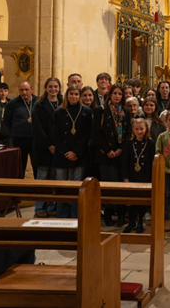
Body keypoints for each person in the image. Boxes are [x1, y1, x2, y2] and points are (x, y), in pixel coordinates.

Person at [93, 84, 131, 226]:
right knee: (108, 185)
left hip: (120, 154)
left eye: (120, 94)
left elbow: (128, 133)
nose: (117, 96)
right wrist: (107, 150)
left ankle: (121, 214)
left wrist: (121, 149)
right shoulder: (101, 110)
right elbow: (96, 133)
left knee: (121, 185)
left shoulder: (125, 111)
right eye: (115, 93)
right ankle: (108, 213)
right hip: (105, 154)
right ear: (110, 94)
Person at [52, 85, 92, 218]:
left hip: (79, 153)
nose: (73, 97)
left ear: (79, 96)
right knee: (61, 186)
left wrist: (75, 152)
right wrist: (66, 152)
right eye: (71, 94)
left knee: (77, 186)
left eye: (76, 94)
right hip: (62, 153)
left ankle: (76, 215)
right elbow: (56, 135)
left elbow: (87, 134)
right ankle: (62, 215)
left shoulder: (86, 111)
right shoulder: (59, 111)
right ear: (66, 95)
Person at [31, 77, 62, 217]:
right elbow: (37, 128)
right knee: (42, 178)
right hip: (43, 147)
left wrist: (57, 145)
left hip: (58, 147)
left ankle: (51, 205)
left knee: (54, 178)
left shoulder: (63, 103)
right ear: (46, 88)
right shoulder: (39, 105)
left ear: (59, 88)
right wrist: (49, 145)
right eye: (50, 86)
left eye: (56, 86)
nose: (53, 89)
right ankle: (39, 208)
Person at [121, 118, 155, 233]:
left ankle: (140, 221)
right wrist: (125, 177)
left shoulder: (150, 143)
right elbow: (124, 162)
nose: (139, 131)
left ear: (146, 129)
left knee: (141, 200)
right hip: (131, 176)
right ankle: (132, 221)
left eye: (141, 129)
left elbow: (152, 162)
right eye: (136, 129)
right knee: (130, 200)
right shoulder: (128, 143)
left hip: (145, 176)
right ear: (133, 130)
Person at [3, 81, 39, 178]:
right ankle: (19, 184)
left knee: (37, 165)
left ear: (32, 89)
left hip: (35, 139)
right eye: (21, 90)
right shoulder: (12, 103)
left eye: (26, 90)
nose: (24, 92)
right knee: (19, 166)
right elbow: (6, 122)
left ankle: (38, 184)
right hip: (19, 139)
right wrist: (9, 140)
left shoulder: (38, 102)